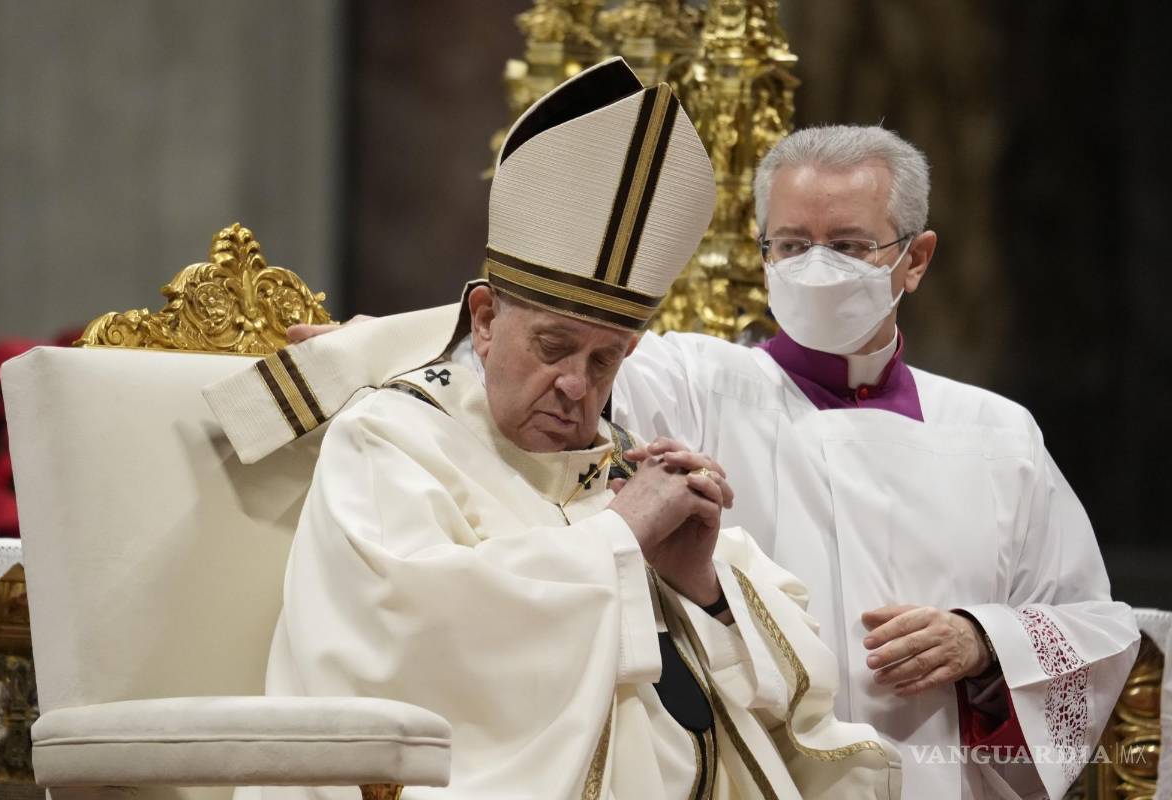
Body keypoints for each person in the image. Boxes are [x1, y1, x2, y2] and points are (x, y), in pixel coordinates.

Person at [210, 111, 1136, 799]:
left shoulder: (999, 436)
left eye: (849, 246)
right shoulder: (689, 384)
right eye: (791, 244)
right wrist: (374, 348)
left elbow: (1099, 629)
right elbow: (506, 359)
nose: (580, 388)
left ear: (917, 258)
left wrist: (984, 642)